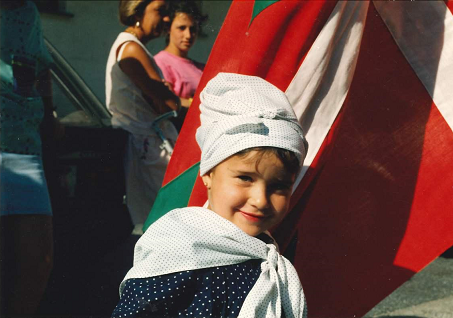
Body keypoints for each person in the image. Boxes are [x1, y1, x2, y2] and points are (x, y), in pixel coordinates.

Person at [111, 73, 309, 318]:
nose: (260, 200)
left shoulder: (271, 253)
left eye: (279, 186)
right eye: (245, 178)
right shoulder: (179, 251)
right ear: (208, 174)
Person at [0, 0, 59, 315]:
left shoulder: (28, 12)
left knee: (39, 261)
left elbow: (41, 69)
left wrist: (49, 120)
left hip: (25, 147)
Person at [105, 0, 182, 235]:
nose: (167, 19)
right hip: (148, 150)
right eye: (160, 11)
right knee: (163, 223)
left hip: (147, 145)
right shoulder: (131, 49)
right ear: (138, 12)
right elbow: (169, 104)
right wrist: (168, 93)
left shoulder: (132, 46)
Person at [154, 1, 206, 130]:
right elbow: (167, 102)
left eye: (193, 29)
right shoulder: (160, 62)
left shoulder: (200, 67)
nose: (188, 35)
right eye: (181, 28)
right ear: (168, 28)